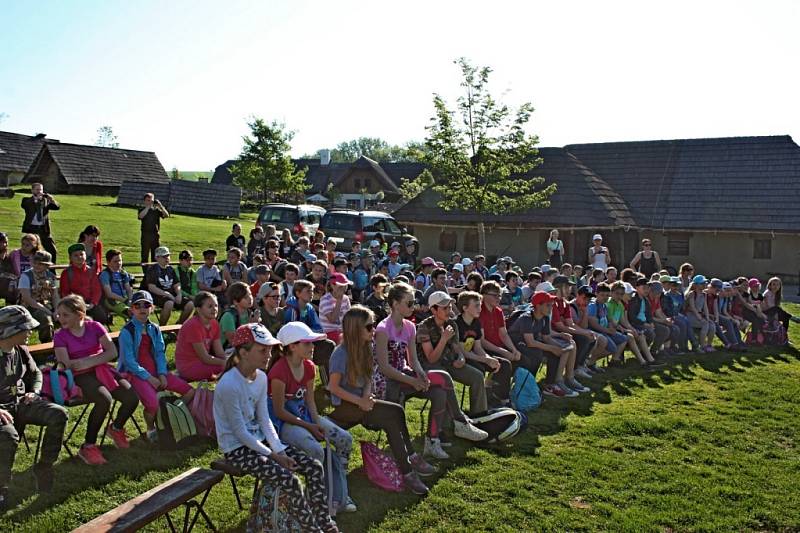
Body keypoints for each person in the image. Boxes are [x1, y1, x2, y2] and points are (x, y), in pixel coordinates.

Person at [213, 323, 339, 532]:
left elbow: (264, 419)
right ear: (244, 353)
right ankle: (312, 529)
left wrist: (279, 449)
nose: (269, 355)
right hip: (237, 449)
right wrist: (274, 455)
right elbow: (240, 433)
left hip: (261, 443)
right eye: (262, 350)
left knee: (314, 467)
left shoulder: (261, 377)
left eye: (270, 349)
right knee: (289, 480)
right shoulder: (229, 384)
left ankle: (325, 522)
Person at [327, 306, 435, 495]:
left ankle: (408, 464)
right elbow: (333, 388)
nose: (374, 330)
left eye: (373, 325)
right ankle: (409, 466)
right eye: (369, 327)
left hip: (362, 401)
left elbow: (368, 376)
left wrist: (367, 394)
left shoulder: (367, 346)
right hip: (345, 405)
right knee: (394, 413)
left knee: (393, 415)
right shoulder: (340, 354)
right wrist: (360, 400)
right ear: (355, 330)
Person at [375, 284, 487, 460]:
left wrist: (420, 374)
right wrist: (414, 380)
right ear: (396, 304)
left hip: (406, 374)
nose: (414, 307)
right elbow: (384, 368)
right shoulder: (383, 329)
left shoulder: (409, 327)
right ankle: (460, 422)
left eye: (414, 303)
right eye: (410, 303)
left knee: (439, 392)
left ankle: (432, 442)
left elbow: (413, 360)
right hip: (388, 381)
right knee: (443, 377)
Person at [268, 321, 356, 513]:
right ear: (292, 346)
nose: (313, 347)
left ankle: (338, 489)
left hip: (305, 417)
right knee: (315, 450)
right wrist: (310, 427)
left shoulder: (309, 366)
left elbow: (310, 401)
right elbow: (279, 411)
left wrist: (316, 421)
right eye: (307, 343)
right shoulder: (278, 372)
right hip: (284, 423)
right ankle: (316, 496)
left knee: (345, 440)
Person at [53, 295, 139, 465]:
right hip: (80, 377)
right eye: (59, 314)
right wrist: (95, 359)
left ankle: (116, 428)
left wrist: (87, 361)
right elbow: (67, 365)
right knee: (103, 399)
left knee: (131, 397)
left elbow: (112, 352)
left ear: (80, 314)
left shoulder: (95, 327)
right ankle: (88, 446)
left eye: (65, 315)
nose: (60, 318)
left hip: (102, 370)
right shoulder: (60, 336)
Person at [0, 306, 68, 506]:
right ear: (10, 330)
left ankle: (44, 467)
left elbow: (36, 373)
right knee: (8, 436)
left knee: (58, 414)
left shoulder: (20, 350)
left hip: (21, 403)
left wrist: (35, 391)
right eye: (25, 328)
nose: (31, 332)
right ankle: (1, 487)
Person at [118, 291, 195, 442]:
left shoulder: (154, 328)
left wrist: (161, 373)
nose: (142, 308)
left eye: (146, 305)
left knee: (189, 391)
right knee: (152, 404)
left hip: (157, 371)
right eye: (137, 305)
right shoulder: (127, 331)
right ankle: (151, 428)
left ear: (152, 308)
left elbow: (160, 353)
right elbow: (129, 361)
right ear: (131, 309)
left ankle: (170, 415)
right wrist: (149, 378)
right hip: (136, 374)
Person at [417, 291, 489, 416]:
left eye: (450, 307)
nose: (449, 311)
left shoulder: (452, 324)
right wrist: (443, 339)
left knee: (477, 376)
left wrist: (461, 358)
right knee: (446, 379)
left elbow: (457, 349)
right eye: (445, 308)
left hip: (449, 363)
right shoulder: (424, 327)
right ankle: (451, 421)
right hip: (432, 368)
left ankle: (479, 415)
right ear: (433, 310)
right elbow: (431, 359)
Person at [508, 292, 582, 397]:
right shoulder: (527, 317)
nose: (551, 308)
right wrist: (552, 348)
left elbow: (546, 337)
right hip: (515, 344)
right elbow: (530, 342)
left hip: (527, 344)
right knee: (536, 353)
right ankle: (528, 384)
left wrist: (559, 347)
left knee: (554, 354)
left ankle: (549, 384)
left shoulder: (545, 318)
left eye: (552, 305)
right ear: (538, 305)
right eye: (548, 305)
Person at [455, 291, 513, 407]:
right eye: (476, 305)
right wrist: (485, 360)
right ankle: (479, 407)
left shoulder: (476, 322)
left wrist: (489, 358)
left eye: (480, 305)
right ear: (465, 308)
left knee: (504, 364)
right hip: (459, 358)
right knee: (480, 370)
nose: (480, 308)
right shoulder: (457, 324)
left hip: (473, 355)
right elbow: (462, 352)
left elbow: (478, 347)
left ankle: (501, 399)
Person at [283, 280, 336, 375]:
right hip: (295, 344)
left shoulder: (309, 308)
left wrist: (310, 334)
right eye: (308, 291)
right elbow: (291, 332)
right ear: (298, 293)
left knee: (328, 345)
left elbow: (318, 327)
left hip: (308, 339)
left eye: (312, 291)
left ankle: (328, 381)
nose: (311, 294)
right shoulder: (291, 310)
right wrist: (308, 334)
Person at [175, 292, 227, 382]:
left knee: (235, 367)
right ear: (199, 310)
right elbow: (205, 357)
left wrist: (229, 361)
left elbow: (219, 352)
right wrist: (225, 363)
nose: (214, 309)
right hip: (188, 367)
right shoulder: (193, 325)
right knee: (230, 370)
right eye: (210, 306)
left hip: (203, 363)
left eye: (216, 306)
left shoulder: (214, 323)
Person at [606, 281, 661, 367]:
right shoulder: (609, 304)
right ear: (611, 293)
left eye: (621, 294)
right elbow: (611, 321)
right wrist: (627, 330)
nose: (619, 296)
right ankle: (641, 361)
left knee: (640, 335)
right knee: (630, 337)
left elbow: (624, 321)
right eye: (617, 293)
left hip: (618, 329)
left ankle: (649, 360)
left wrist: (632, 329)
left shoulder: (620, 304)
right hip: (610, 329)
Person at [145, 246, 194, 326]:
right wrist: (166, 294)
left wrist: (179, 294)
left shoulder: (170, 269)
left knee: (190, 304)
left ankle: (178, 326)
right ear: (157, 258)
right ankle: (162, 328)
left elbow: (177, 284)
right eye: (164, 256)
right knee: (169, 303)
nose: (167, 258)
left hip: (172, 295)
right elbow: (152, 287)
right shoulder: (152, 269)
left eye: (168, 255)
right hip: (158, 295)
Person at [59, 243, 107, 324]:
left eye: (81, 254)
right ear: (70, 258)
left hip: (90, 303)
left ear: (85, 256)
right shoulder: (67, 273)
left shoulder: (91, 271)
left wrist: (92, 303)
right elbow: (65, 292)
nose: (79, 257)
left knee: (101, 317)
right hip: (73, 304)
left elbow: (96, 289)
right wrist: (77, 304)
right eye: (76, 255)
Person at [17, 251, 59, 342]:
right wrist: (47, 311)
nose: (36, 265)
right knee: (46, 321)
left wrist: (57, 310)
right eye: (35, 263)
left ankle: (68, 344)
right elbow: (27, 298)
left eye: (40, 264)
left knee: (69, 316)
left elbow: (55, 295)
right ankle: (46, 348)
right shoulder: (26, 276)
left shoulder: (52, 277)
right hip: (30, 307)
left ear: (47, 265)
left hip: (48, 305)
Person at [20, 183, 59, 262]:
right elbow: (25, 205)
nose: (39, 191)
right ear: (32, 190)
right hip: (31, 229)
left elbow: (57, 207)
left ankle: (52, 270)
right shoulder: (26, 200)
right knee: (31, 250)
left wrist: (52, 200)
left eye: (41, 189)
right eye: (37, 189)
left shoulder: (46, 201)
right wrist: (36, 199)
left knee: (52, 250)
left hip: (43, 229)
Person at [220, 282, 259, 349]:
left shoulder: (250, 313)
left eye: (250, 294)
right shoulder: (228, 316)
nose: (250, 298)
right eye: (245, 297)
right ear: (235, 301)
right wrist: (250, 325)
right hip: (227, 351)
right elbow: (233, 342)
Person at [99, 249, 133, 319]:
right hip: (112, 301)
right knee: (133, 314)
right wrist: (125, 300)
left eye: (120, 260)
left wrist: (130, 300)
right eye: (115, 261)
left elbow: (128, 289)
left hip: (125, 300)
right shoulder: (105, 274)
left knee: (142, 310)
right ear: (108, 262)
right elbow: (109, 294)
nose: (119, 263)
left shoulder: (123, 273)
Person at [685, 275, 715, 352]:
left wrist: (707, 317)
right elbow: (692, 307)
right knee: (705, 324)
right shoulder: (692, 294)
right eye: (702, 283)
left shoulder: (704, 294)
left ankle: (709, 344)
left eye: (705, 283)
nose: (705, 284)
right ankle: (702, 345)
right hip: (690, 315)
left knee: (712, 325)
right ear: (696, 285)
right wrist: (699, 317)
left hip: (699, 314)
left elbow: (705, 307)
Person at [138, 193, 169, 264]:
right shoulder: (142, 209)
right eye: (148, 200)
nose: (150, 202)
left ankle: (154, 273)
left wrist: (160, 206)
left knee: (156, 256)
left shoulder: (156, 210)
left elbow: (166, 215)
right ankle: (145, 273)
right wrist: (148, 207)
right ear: (144, 201)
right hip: (145, 236)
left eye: (151, 200)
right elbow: (140, 216)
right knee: (144, 256)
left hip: (155, 236)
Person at [0, 232, 17, 305]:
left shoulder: (10, 257)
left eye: (5, 242)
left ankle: (10, 307)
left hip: (7, 286)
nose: (4, 245)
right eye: (1, 242)